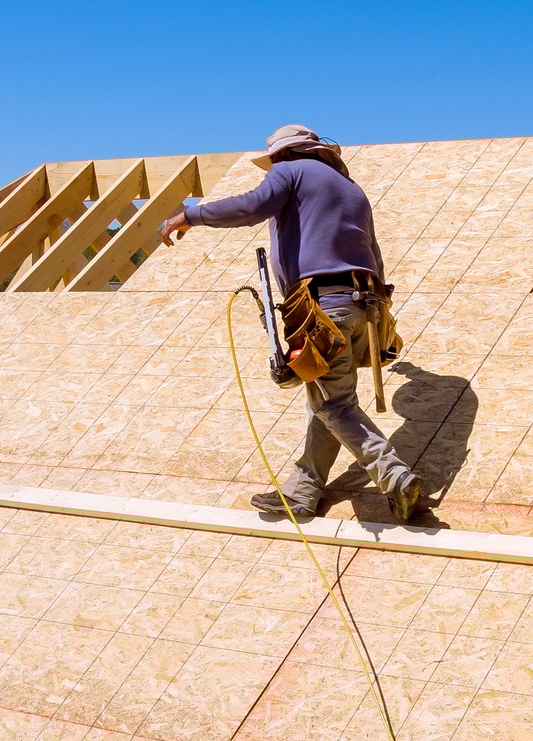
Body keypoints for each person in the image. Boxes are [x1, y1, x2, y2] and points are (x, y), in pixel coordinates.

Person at [159, 125, 425, 521]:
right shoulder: (352, 190)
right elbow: (374, 252)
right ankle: (303, 491)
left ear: (286, 154)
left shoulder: (290, 170)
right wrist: (380, 312)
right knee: (328, 402)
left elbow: (252, 207)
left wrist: (190, 214)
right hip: (361, 307)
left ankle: (395, 476)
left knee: (332, 405)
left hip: (322, 310)